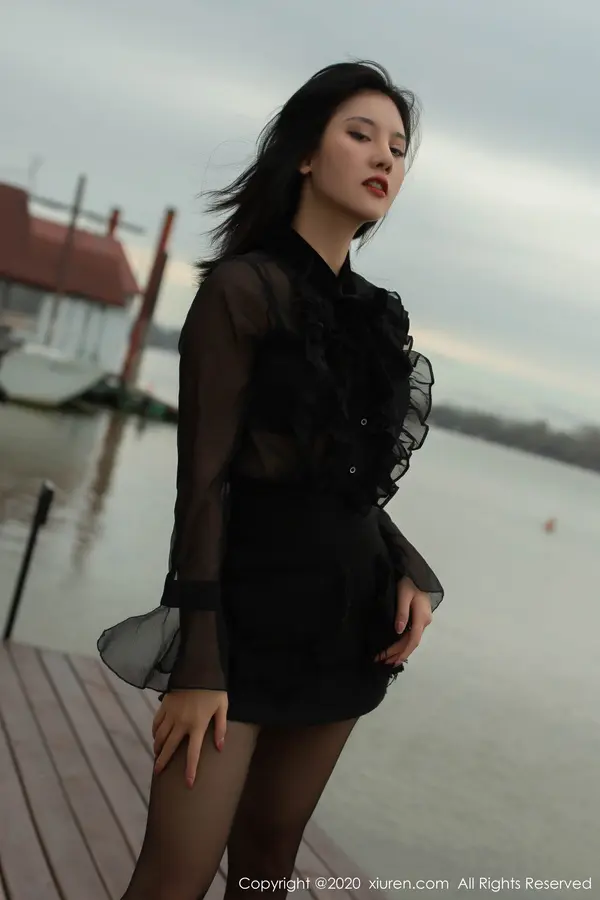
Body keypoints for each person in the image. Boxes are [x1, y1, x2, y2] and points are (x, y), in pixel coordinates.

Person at [98, 59, 445, 900]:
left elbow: (346, 484)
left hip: (346, 625)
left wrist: (411, 568)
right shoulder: (243, 290)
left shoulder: (376, 315)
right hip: (241, 625)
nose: (385, 157)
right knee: (172, 877)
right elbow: (204, 482)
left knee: (267, 869)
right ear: (305, 154)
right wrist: (198, 665)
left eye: (398, 148)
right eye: (360, 134)